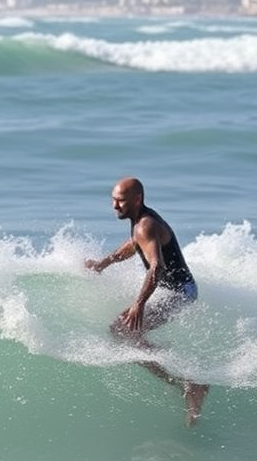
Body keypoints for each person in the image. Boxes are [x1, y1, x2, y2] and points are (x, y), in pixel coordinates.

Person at [84, 177, 210, 427]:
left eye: (120, 201)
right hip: (175, 289)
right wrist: (102, 264)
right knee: (123, 333)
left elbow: (156, 267)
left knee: (122, 332)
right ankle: (185, 379)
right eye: (113, 200)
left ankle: (189, 383)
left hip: (180, 293)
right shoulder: (140, 221)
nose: (114, 206)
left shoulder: (145, 225)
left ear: (137, 199)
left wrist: (138, 304)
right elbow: (133, 246)